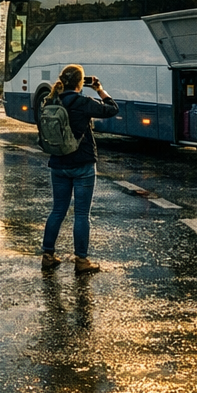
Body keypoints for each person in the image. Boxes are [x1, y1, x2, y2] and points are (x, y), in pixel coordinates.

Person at [40, 64, 118, 275]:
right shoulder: (84, 102)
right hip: (82, 164)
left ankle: (47, 255)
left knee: (57, 211)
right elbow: (112, 108)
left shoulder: (51, 100)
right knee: (81, 214)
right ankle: (81, 261)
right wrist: (100, 90)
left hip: (58, 164)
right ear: (80, 83)